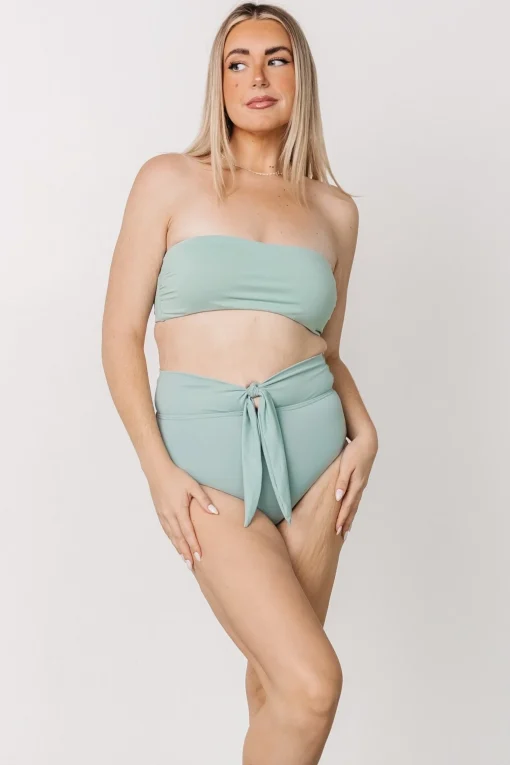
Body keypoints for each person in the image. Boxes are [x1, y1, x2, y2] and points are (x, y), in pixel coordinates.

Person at [101, 3, 378, 763]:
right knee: (313, 683)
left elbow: (326, 349)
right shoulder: (168, 181)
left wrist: (366, 434)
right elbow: (120, 337)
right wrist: (157, 469)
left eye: (276, 59)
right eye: (238, 61)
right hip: (206, 469)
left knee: (275, 687)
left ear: (300, 78)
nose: (257, 76)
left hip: (319, 464)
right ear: (217, 82)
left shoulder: (335, 212)